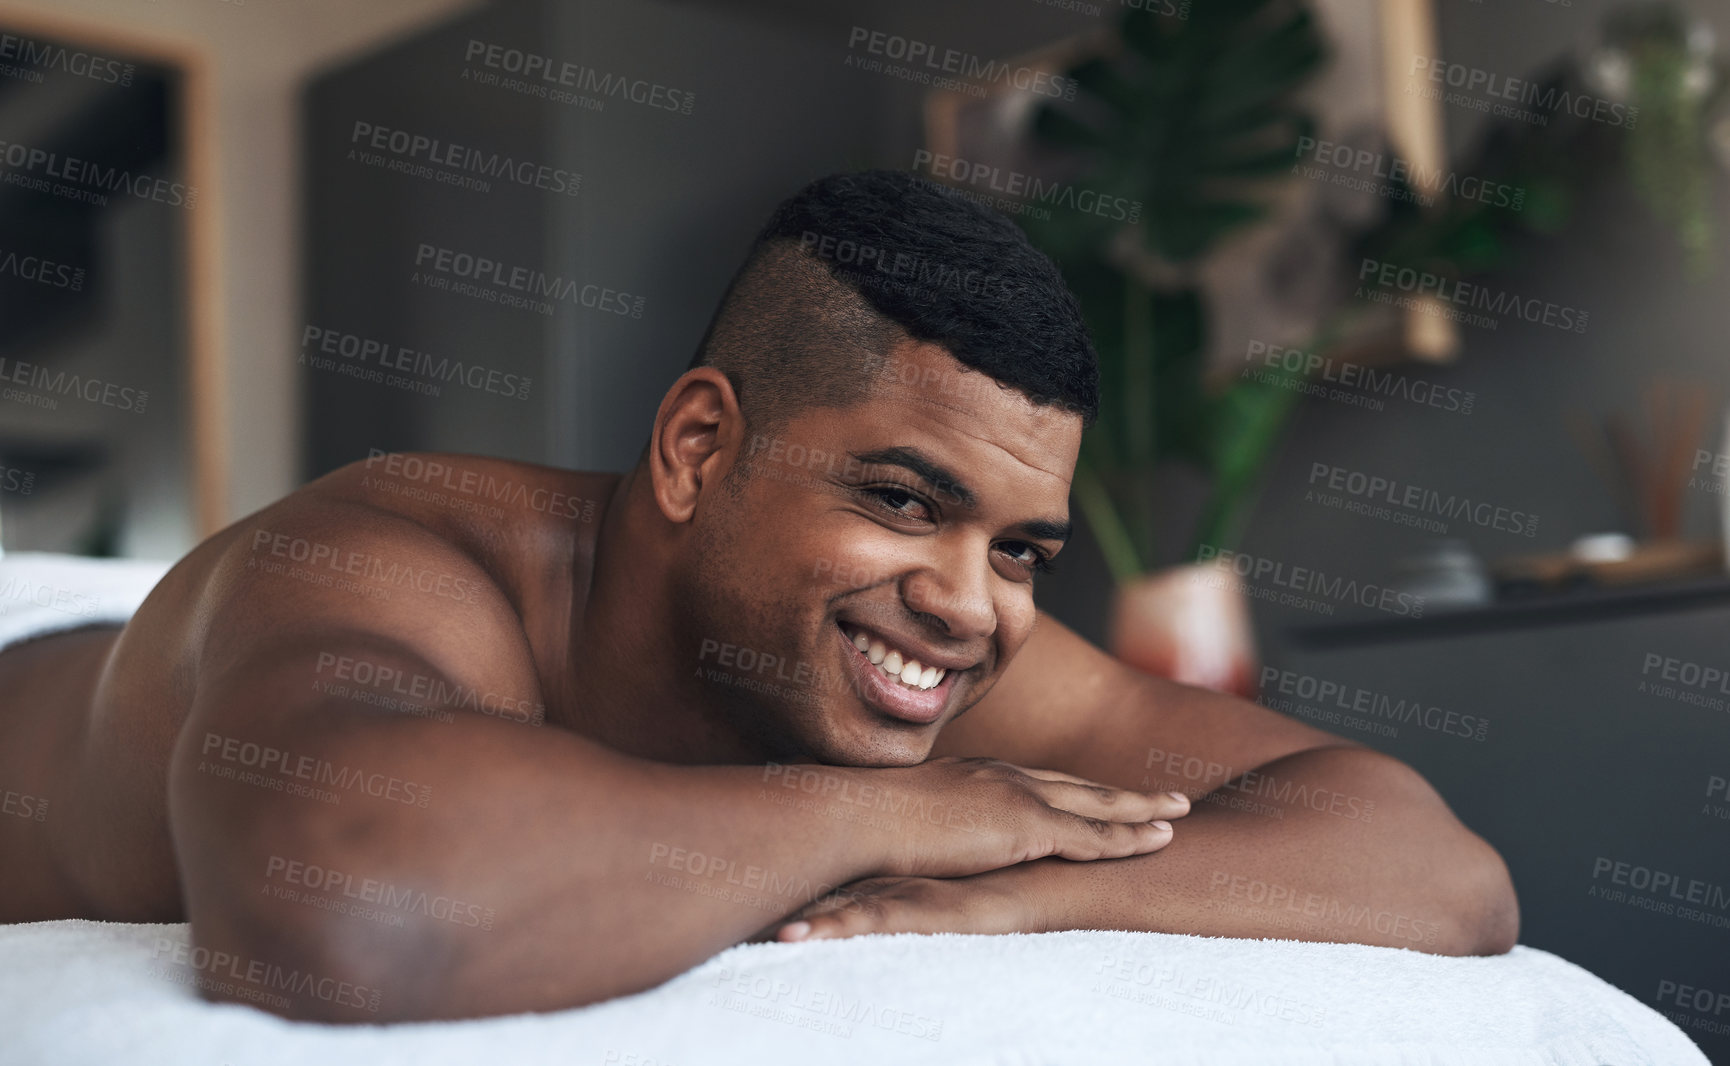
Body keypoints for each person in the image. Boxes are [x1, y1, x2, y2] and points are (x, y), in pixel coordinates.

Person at [0, 170, 1517, 1022]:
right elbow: (349, 908)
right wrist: (900, 812)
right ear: (698, 444)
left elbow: (1435, 868)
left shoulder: (930, 636)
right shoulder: (389, 561)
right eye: (903, 500)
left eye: (1020, 547)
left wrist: (1042, 882)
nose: (971, 607)